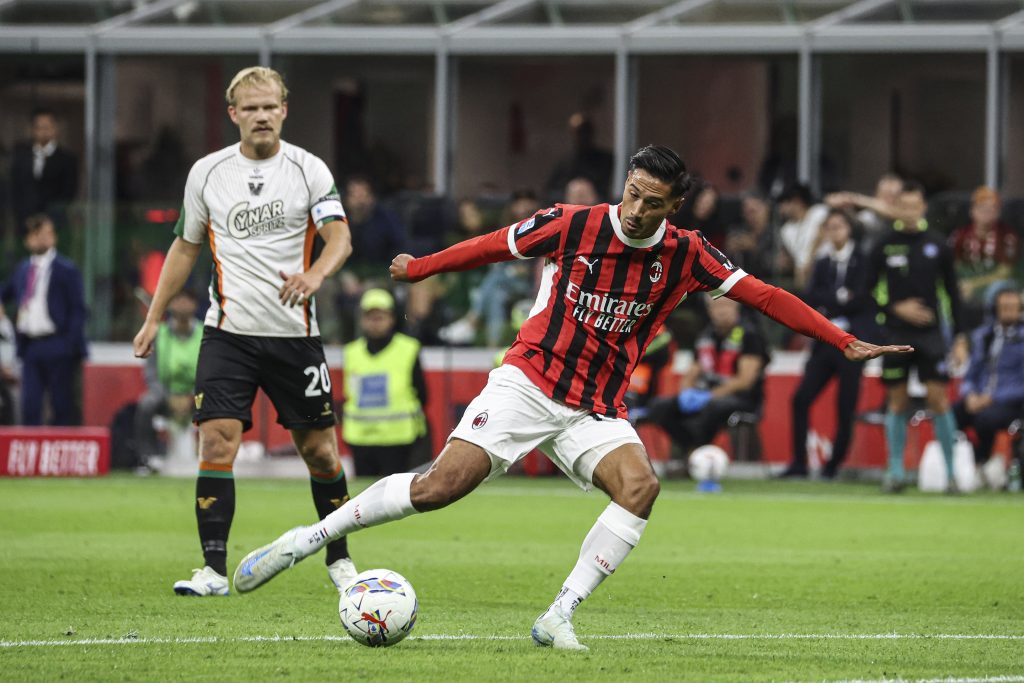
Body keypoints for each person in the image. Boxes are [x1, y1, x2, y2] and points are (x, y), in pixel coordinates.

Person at [233, 145, 909, 650]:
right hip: (529, 380)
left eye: (653, 201)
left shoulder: (688, 252)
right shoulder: (575, 224)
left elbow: (764, 294)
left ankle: (558, 613)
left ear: (675, 206)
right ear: (626, 184)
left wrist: (839, 338)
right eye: (633, 192)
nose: (638, 209)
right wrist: (422, 267)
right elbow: (495, 246)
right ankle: (307, 539)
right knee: (439, 487)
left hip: (595, 405)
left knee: (641, 487)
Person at [131, 66, 357, 597]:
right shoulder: (207, 173)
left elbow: (340, 237)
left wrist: (314, 275)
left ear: (284, 110)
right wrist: (153, 316)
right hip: (227, 332)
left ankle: (341, 560)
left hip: (294, 336)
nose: (261, 115)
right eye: (250, 107)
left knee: (321, 452)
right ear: (233, 114)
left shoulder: (308, 170)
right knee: (216, 439)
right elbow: (186, 246)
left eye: (270, 106)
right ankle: (211, 570)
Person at [865, 181, 964, 493]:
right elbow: (866, 292)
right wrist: (896, 308)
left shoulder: (938, 244)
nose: (909, 211)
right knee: (897, 401)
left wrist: (960, 337)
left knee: (938, 399)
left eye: (914, 206)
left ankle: (950, 475)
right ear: (896, 208)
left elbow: (953, 294)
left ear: (923, 208)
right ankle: (895, 471)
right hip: (894, 333)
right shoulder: (882, 245)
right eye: (903, 205)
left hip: (931, 335)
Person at [778, 209, 871, 479]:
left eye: (839, 226)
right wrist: (840, 298)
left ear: (849, 229)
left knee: (845, 406)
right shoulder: (823, 262)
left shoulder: (862, 260)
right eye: (829, 227)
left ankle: (833, 466)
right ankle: (799, 462)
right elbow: (810, 295)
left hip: (852, 344)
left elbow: (863, 298)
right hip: (824, 341)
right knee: (801, 398)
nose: (834, 232)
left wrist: (833, 300)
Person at [638, 295, 768, 461]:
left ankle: (694, 455)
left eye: (726, 305)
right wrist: (686, 394)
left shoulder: (749, 335)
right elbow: (692, 373)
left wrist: (708, 396)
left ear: (736, 308)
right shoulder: (706, 335)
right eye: (717, 306)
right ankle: (691, 450)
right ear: (709, 310)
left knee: (710, 409)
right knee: (659, 406)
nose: (722, 311)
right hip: (706, 396)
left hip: (742, 399)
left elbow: (745, 381)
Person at [1, 214, 87, 425]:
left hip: (58, 343)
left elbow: (79, 309)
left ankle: (60, 450)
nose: (42, 239)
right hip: (31, 345)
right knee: (30, 403)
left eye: (47, 233)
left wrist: (70, 343)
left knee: (61, 403)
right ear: (28, 239)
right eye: (37, 234)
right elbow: (6, 292)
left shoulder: (66, 269)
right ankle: (33, 452)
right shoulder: (23, 269)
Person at [342, 288, 428, 477]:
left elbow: (422, 394)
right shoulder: (351, 352)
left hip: (399, 439)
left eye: (380, 316)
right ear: (362, 320)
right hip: (360, 439)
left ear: (391, 318)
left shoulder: (408, 349)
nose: (375, 322)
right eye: (370, 317)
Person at [953, 285, 1024, 467]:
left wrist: (991, 398)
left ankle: (984, 462)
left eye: (1012, 307)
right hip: (980, 398)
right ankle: (962, 464)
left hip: (1012, 401)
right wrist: (970, 395)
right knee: (950, 414)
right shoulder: (984, 336)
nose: (1008, 311)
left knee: (985, 419)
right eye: (1003, 307)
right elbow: (971, 373)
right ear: (995, 309)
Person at [135, 289, 203, 464]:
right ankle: (149, 458)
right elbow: (151, 372)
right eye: (177, 299)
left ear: (195, 305)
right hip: (165, 397)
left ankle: (207, 453)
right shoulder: (159, 334)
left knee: (213, 404)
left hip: (196, 397)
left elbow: (209, 372)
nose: (182, 304)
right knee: (146, 404)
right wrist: (168, 396)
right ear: (170, 304)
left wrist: (191, 397)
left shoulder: (205, 334)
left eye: (187, 300)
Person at [949, 187, 1019, 330]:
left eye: (992, 209)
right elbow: (952, 265)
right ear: (972, 210)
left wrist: (974, 285)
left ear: (998, 212)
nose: (987, 213)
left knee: (996, 290)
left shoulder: (1007, 236)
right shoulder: (960, 236)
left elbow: (1005, 272)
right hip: (965, 285)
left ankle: (988, 334)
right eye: (982, 208)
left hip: (994, 287)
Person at [9, 109, 78, 235]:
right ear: (33, 129)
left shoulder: (67, 159)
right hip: (25, 224)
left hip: (55, 224)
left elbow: (68, 193)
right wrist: (24, 217)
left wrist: (48, 219)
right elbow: (15, 190)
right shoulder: (21, 157)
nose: (43, 131)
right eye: (39, 127)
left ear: (55, 129)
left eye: (47, 127)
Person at [545, 113, 614, 201]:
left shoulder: (606, 160)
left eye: (584, 131)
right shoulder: (565, 163)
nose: (581, 136)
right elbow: (550, 192)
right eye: (577, 132)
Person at [778, 183, 829, 289]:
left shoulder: (819, 212)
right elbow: (796, 258)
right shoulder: (786, 230)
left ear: (797, 202)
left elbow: (821, 236)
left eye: (785, 203)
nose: (781, 208)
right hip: (804, 275)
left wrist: (809, 261)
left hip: (825, 265)